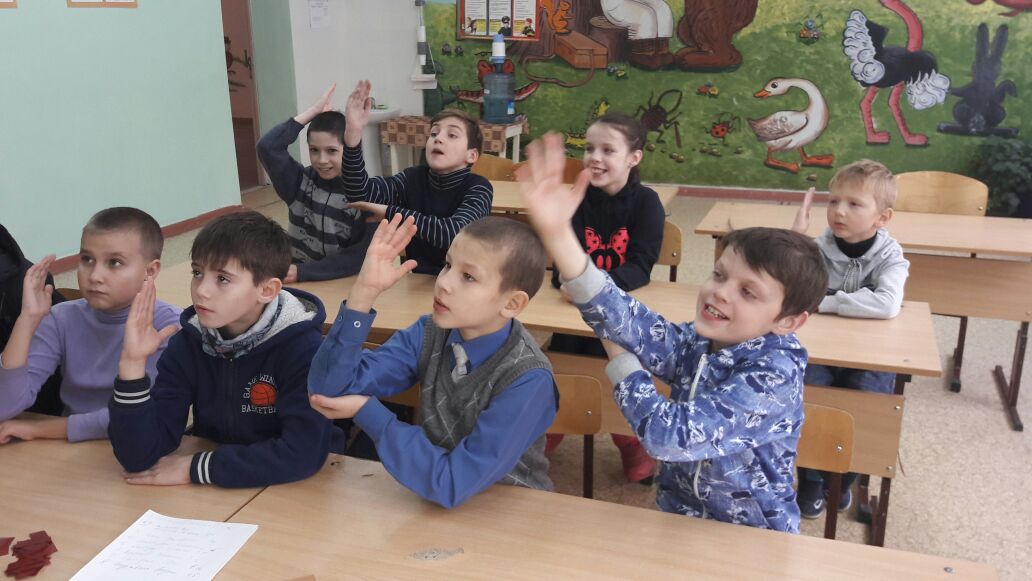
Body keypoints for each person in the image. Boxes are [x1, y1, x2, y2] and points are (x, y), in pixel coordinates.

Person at [517, 132, 828, 533]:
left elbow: (670, 437)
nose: (721, 292)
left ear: (788, 322)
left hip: (753, 536)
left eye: (748, 292)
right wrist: (559, 235)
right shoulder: (699, 341)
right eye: (719, 275)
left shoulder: (774, 376)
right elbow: (624, 315)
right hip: (680, 516)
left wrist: (622, 361)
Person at [307, 215, 557, 508]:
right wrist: (363, 293)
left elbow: (452, 483)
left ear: (512, 303)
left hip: (510, 511)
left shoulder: (528, 379)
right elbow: (329, 389)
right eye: (448, 265)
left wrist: (370, 413)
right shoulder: (430, 332)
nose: (443, 282)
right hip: (431, 497)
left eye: (469, 277)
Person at [108, 211, 341, 487]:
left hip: (301, 488)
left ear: (267, 290)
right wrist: (132, 365)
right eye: (197, 273)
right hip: (220, 486)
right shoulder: (189, 344)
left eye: (222, 279)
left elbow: (302, 454)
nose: (201, 290)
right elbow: (138, 458)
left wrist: (197, 468)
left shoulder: (304, 351)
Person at [545, 112, 665, 484]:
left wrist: (592, 289)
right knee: (561, 367)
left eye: (608, 150)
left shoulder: (647, 203)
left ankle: (630, 441)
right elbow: (562, 259)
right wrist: (567, 281)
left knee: (621, 373)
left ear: (634, 157)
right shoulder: (577, 199)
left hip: (619, 312)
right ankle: (551, 428)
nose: (595, 157)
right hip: (573, 311)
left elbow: (640, 267)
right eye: (590, 148)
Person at [790, 159, 909, 519]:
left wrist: (825, 302)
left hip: (872, 355)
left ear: (882, 218)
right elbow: (791, 290)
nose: (839, 211)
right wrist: (796, 241)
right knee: (811, 399)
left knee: (868, 407)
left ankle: (844, 478)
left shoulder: (891, 256)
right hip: (820, 352)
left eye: (854, 204)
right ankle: (811, 479)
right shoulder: (816, 249)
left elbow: (887, 305)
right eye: (833, 201)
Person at [0, 208, 180, 444]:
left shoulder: (169, 327)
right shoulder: (60, 318)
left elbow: (144, 415)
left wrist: (44, 428)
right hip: (67, 447)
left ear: (150, 271)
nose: (95, 276)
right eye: (87, 259)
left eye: (114, 262)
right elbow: (5, 406)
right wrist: (27, 320)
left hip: (136, 446)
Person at [341, 80, 492, 275]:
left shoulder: (479, 187)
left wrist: (391, 213)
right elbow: (360, 195)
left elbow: (454, 234)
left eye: (452, 135)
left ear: (471, 155)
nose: (438, 138)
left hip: (463, 283)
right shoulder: (412, 178)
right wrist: (353, 135)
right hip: (418, 280)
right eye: (434, 133)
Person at [256, 83, 373, 283]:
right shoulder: (299, 182)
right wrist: (312, 113)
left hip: (340, 281)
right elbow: (268, 147)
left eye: (332, 151)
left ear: (349, 149)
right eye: (314, 150)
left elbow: (357, 257)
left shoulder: (365, 195)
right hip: (296, 277)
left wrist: (303, 272)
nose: (321, 160)